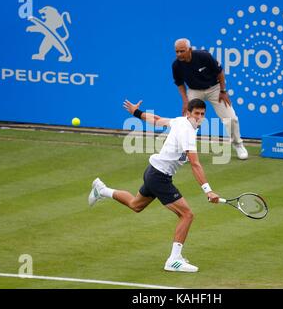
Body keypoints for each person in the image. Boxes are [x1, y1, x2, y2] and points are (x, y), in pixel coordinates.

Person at [88, 98, 220, 273]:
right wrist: (208, 190)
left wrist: (137, 113)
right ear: (188, 113)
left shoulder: (180, 121)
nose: (199, 117)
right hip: (159, 177)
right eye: (196, 114)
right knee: (187, 215)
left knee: (135, 205)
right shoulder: (187, 132)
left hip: (153, 172)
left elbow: (157, 120)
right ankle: (174, 260)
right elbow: (195, 164)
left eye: (202, 114)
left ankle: (102, 190)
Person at [172, 38, 249, 160]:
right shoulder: (176, 65)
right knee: (189, 122)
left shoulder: (204, 56)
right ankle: (185, 151)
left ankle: (238, 144)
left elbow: (220, 72)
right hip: (194, 91)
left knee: (231, 118)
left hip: (214, 89)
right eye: (177, 51)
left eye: (182, 51)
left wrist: (223, 91)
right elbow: (180, 84)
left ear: (190, 50)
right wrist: (185, 101)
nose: (179, 54)